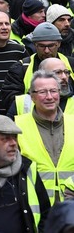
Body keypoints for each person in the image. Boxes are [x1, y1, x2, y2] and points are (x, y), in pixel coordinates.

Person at [15, 71, 74, 204]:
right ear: (32, 96)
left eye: (53, 91)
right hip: (34, 207)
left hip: (70, 208)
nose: (49, 97)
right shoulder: (17, 126)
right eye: (42, 92)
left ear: (59, 93)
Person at [4, 22, 74, 116]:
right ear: (34, 45)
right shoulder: (21, 68)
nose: (46, 51)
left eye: (51, 46)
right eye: (41, 46)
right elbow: (11, 100)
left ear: (59, 44)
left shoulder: (71, 64)